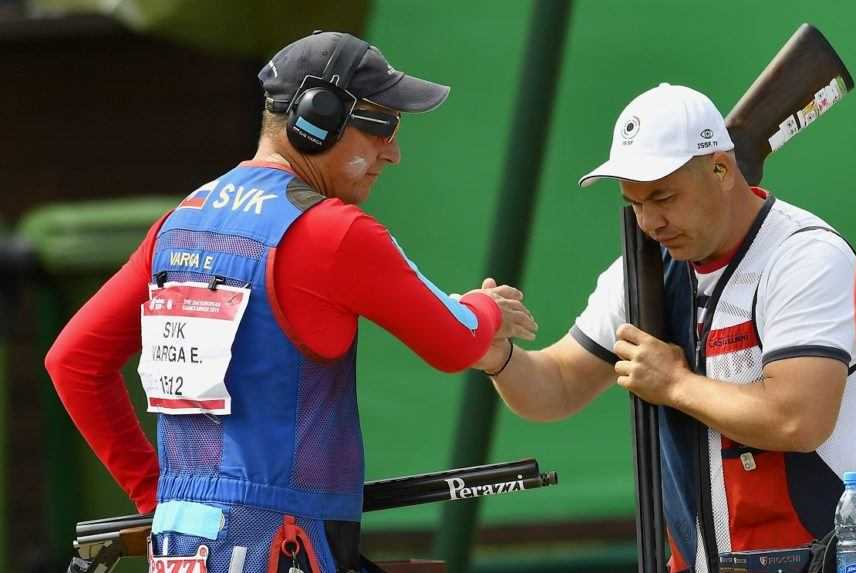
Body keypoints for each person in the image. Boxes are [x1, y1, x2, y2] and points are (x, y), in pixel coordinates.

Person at [44, 31, 536, 573]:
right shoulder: (333, 231)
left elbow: (72, 362)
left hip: (182, 546)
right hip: (285, 546)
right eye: (382, 127)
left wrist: (156, 497)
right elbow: (455, 339)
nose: (392, 153)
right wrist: (486, 307)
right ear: (316, 119)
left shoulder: (180, 224)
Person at [482, 83, 856, 573]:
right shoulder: (643, 273)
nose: (649, 222)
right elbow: (556, 386)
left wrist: (676, 384)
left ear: (722, 169)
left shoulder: (805, 257)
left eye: (663, 196)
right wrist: (498, 356)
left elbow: (799, 419)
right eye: (634, 202)